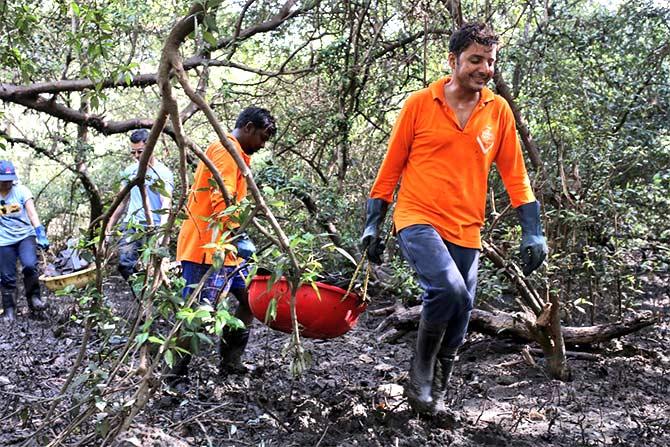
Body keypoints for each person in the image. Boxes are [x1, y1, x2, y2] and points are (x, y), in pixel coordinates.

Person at [360, 22, 548, 417]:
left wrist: (533, 231)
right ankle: (420, 376)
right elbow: (391, 165)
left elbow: (515, 175)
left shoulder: (497, 111)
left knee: (461, 315)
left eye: (491, 62)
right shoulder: (419, 103)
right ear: (453, 60)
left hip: (467, 226)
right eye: (475, 59)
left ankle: (435, 395)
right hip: (418, 216)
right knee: (449, 291)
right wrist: (373, 222)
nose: (484, 69)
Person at [170, 106, 277, 383]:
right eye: (263, 137)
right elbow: (223, 200)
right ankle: (174, 377)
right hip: (206, 249)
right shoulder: (226, 151)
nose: (263, 145)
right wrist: (237, 235)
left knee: (249, 301)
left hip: (226, 249)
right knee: (197, 314)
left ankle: (231, 362)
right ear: (249, 127)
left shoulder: (237, 155)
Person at [107, 129, 174, 280]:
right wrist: (108, 227)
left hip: (153, 226)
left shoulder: (163, 173)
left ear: (151, 147)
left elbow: (166, 203)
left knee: (155, 268)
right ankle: (140, 298)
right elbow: (121, 202)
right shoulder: (129, 171)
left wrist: (161, 232)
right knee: (125, 265)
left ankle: (150, 298)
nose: (137, 156)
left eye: (140, 151)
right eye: (133, 152)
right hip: (132, 225)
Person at [0, 160, 50, 321]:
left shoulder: (21, 191)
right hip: (4, 240)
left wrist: (40, 233)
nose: (6, 183)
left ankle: (34, 299)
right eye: (3, 180)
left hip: (25, 236)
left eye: (9, 179)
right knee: (7, 275)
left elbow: (32, 214)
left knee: (29, 265)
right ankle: (9, 311)